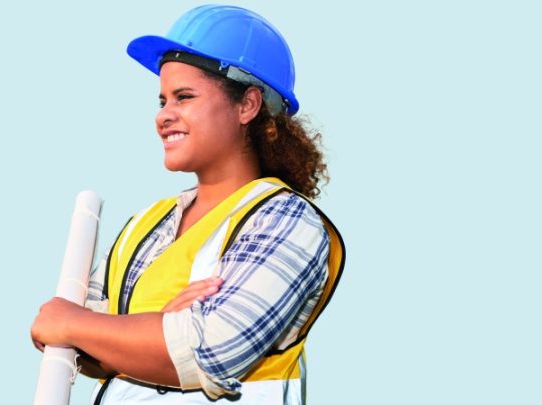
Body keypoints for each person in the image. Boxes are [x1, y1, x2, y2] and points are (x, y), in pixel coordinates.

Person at [31, 5, 345, 404]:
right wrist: (157, 327)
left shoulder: (286, 220)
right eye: (162, 100)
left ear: (247, 105)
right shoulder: (144, 225)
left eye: (184, 97)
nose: (164, 116)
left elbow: (210, 353)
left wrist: (95, 327)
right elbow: (70, 343)